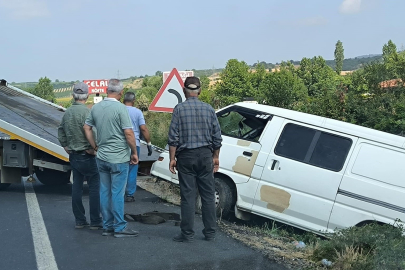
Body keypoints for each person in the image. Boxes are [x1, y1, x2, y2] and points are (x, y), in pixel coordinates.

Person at [168, 76, 222, 242]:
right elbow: (217, 137)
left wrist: (172, 158)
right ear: (199, 91)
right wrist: (215, 157)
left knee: (188, 196)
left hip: (186, 157)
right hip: (205, 156)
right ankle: (210, 233)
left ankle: (187, 234)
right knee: (208, 196)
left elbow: (173, 137)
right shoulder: (209, 109)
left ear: (184, 91)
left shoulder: (179, 109)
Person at [83, 79, 139, 238]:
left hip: (101, 157)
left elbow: (87, 127)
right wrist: (134, 152)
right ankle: (120, 227)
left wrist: (94, 146)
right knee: (117, 193)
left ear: (107, 90)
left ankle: (107, 226)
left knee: (105, 191)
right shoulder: (121, 109)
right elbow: (128, 133)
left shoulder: (96, 107)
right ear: (121, 93)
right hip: (119, 157)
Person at [57, 82, 102, 230]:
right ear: (87, 96)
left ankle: (80, 220)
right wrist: (94, 148)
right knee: (95, 187)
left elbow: (61, 130)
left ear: (73, 96)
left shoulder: (68, 112)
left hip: (74, 155)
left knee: (76, 186)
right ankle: (95, 220)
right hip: (87, 155)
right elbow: (92, 131)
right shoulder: (88, 112)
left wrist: (65, 146)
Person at [122, 92, 153, 202]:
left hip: (120, 144)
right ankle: (129, 195)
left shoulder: (119, 110)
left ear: (123, 99)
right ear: (134, 100)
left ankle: (118, 194)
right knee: (132, 169)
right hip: (135, 144)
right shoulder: (137, 112)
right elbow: (143, 129)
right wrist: (148, 143)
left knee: (121, 169)